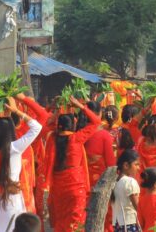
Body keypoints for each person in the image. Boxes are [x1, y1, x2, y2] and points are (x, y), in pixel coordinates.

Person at [0, 97, 43, 232]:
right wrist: (16, 111)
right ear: (12, 131)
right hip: (11, 201)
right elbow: (37, 127)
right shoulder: (14, 148)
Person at [46, 97, 101, 232]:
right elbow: (96, 121)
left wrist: (58, 110)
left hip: (58, 188)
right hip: (76, 187)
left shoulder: (52, 139)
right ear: (72, 126)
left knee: (61, 221)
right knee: (76, 222)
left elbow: (47, 123)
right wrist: (80, 106)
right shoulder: (76, 138)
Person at [112, 150, 141, 232]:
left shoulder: (114, 182)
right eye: (136, 164)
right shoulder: (130, 182)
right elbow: (137, 206)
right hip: (130, 223)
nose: (138, 168)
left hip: (118, 224)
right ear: (126, 165)